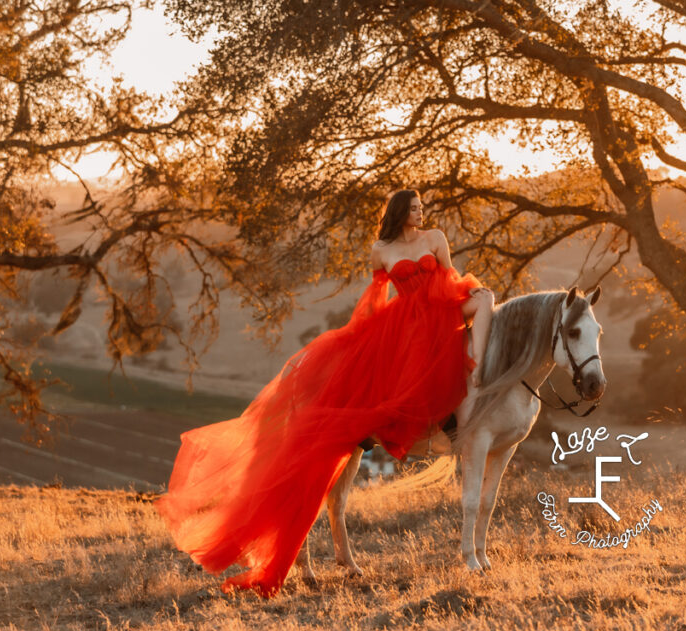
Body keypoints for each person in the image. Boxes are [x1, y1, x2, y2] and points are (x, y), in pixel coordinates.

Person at [154, 189, 494, 597]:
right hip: (405, 322)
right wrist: (361, 336)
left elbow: (450, 277)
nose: (421, 213)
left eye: (423, 207)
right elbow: (376, 297)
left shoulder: (436, 238)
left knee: (487, 298)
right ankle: (298, 544)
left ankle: (478, 370)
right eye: (416, 207)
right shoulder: (381, 249)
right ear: (401, 211)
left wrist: (459, 302)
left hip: (439, 312)